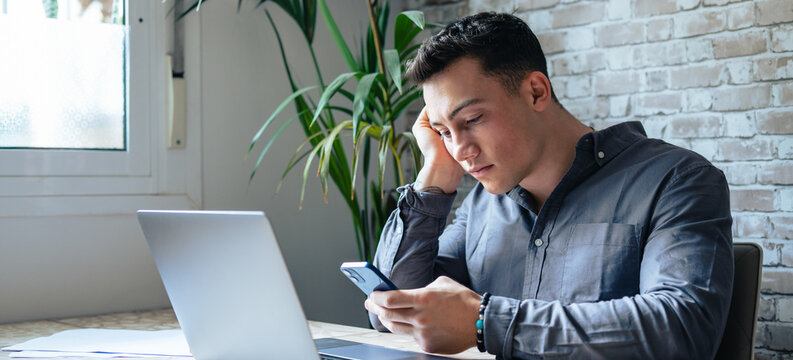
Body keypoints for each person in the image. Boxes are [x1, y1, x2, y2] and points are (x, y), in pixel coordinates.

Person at [363, 12, 734, 359]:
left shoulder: (675, 179)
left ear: (536, 92)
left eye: (472, 119)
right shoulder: (482, 205)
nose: (460, 149)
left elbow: (685, 328)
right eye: (443, 131)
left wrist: (486, 321)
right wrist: (434, 178)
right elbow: (390, 315)